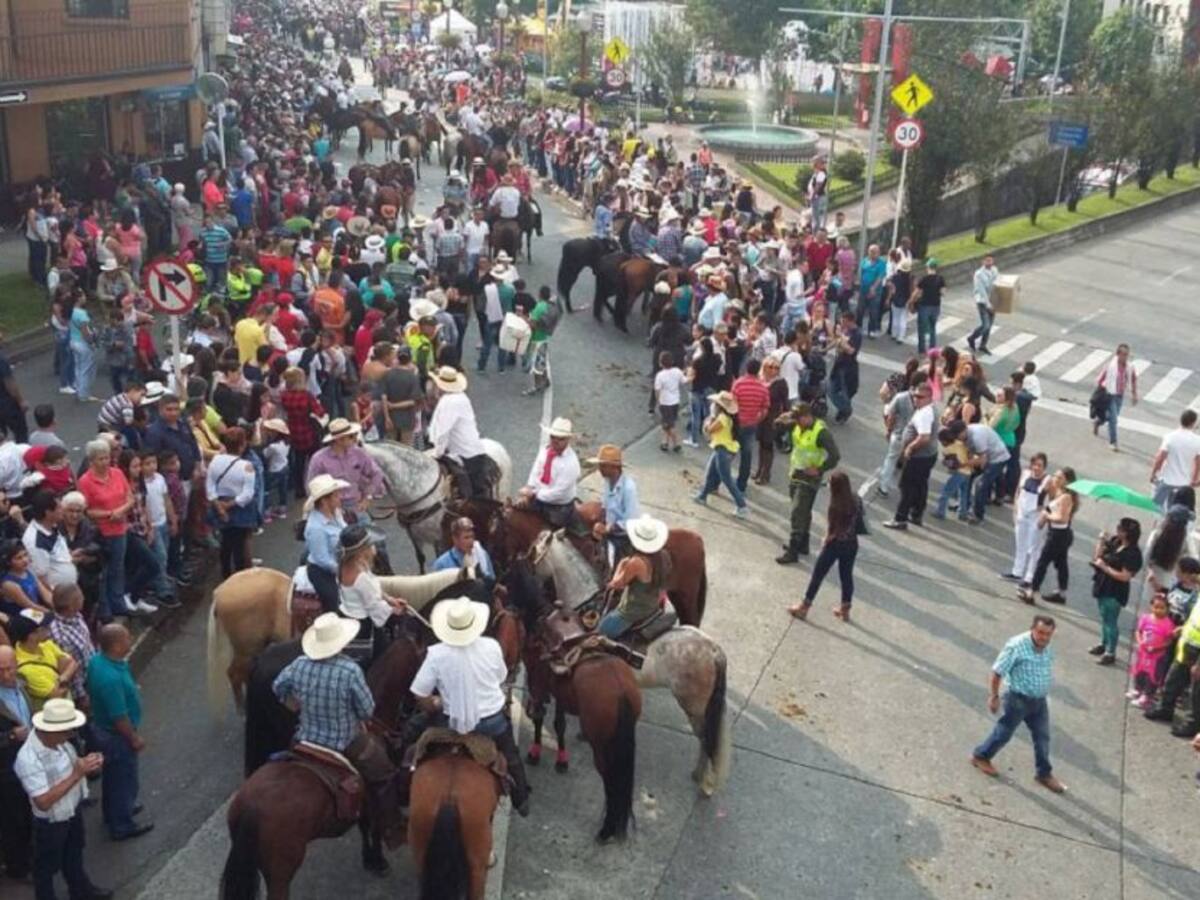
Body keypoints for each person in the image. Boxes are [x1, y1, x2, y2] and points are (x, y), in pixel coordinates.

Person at [272, 613, 396, 831]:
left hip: (306, 739)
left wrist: (293, 704)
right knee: (384, 772)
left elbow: (278, 686)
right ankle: (388, 824)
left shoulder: (299, 664)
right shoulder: (350, 670)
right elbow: (367, 710)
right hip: (345, 741)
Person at [409, 596, 530, 816]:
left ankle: (401, 789)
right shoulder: (492, 646)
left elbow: (419, 693)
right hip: (492, 723)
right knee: (510, 754)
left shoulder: (436, 654)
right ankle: (521, 799)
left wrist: (434, 703)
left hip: (449, 722)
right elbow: (501, 677)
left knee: (410, 738)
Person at [14, 697, 111, 900]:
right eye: (67, 730)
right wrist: (77, 773)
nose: (71, 734)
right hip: (51, 822)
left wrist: (86, 764)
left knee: (74, 854)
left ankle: (81, 891)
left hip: (71, 810)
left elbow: (71, 767)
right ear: (51, 730)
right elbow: (43, 801)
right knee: (46, 869)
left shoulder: (62, 744)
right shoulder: (28, 759)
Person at [970, 615, 1065, 794]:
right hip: (1018, 699)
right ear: (1032, 629)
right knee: (1004, 733)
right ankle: (980, 756)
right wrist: (993, 696)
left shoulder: (1047, 646)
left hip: (1039, 701)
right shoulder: (1016, 646)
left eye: (1048, 634)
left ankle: (1044, 774)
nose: (1044, 637)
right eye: (1040, 633)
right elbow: (997, 671)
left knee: (1042, 737)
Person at [86, 624, 152, 841]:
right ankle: (122, 824)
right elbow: (119, 717)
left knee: (113, 779)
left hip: (104, 732)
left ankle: (113, 812)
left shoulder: (98, 661)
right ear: (116, 645)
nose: (130, 639)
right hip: (117, 737)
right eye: (126, 638)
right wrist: (134, 738)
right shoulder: (110, 679)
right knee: (124, 779)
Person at [789, 470, 863, 622]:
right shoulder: (856, 499)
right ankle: (845, 609)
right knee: (846, 576)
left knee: (818, 576)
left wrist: (825, 541)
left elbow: (833, 529)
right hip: (852, 544)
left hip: (835, 545)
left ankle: (804, 607)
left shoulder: (835, 505)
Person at [776, 402, 841, 561]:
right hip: (796, 473)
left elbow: (835, 456)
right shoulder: (798, 425)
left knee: (798, 512)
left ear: (807, 417)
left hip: (809, 479)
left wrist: (819, 469)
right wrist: (780, 420)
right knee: (803, 511)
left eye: (798, 419)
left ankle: (793, 551)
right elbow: (779, 426)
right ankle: (803, 544)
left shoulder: (821, 433)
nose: (796, 422)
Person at [336, 526, 408, 666]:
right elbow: (373, 606)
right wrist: (394, 610)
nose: (373, 546)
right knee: (385, 655)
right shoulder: (360, 577)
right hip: (363, 623)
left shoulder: (345, 565)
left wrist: (389, 599)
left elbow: (373, 589)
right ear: (361, 551)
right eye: (370, 544)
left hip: (346, 614)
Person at [427, 367, 494, 500]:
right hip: (463, 448)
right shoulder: (458, 397)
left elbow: (443, 431)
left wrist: (438, 452)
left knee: (474, 495)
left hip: (465, 452)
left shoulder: (450, 402)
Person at [882, 382, 937, 530]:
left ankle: (900, 518)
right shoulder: (927, 409)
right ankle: (916, 514)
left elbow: (924, 437)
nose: (916, 399)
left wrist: (910, 448)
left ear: (929, 398)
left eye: (920, 397)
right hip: (928, 455)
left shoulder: (925, 413)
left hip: (919, 456)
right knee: (920, 485)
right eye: (914, 396)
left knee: (906, 486)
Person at [1089, 518, 1143, 666]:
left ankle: (1110, 652)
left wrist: (1106, 568)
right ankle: (1103, 643)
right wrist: (1101, 540)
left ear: (1126, 533)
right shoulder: (1115, 542)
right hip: (1103, 584)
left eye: (1120, 528)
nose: (1117, 530)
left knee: (1110, 620)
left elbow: (1125, 576)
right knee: (1104, 617)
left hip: (1115, 590)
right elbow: (1098, 557)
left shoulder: (1133, 554)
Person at [1021, 468, 1079, 605]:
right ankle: (1061, 592)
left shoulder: (1066, 497)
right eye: (1055, 476)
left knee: (1043, 562)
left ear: (1067, 481)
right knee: (1061, 563)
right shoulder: (1058, 492)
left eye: (1060, 478)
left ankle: (1032, 592)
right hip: (1058, 534)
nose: (1056, 479)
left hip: (1059, 535)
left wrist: (1047, 516)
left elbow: (1062, 518)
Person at [0, 644, 33, 882]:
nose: (4, 675)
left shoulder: (21, 685)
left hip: (27, 761)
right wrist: (10, 737)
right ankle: (18, 867)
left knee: (29, 813)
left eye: (9, 668)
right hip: (6, 771)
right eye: (0, 670)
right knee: (13, 821)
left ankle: (30, 858)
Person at [206, 427, 258, 578]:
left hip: (219, 503)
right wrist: (229, 505)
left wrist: (219, 507)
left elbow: (210, 486)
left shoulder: (215, 461)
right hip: (239, 508)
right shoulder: (247, 466)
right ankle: (239, 578)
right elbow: (248, 494)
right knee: (239, 545)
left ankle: (226, 574)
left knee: (226, 542)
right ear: (242, 445)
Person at [518, 417, 581, 529]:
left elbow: (558, 493)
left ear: (568, 440)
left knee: (548, 536)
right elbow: (535, 472)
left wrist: (534, 494)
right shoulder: (545, 451)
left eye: (560, 439)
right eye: (553, 437)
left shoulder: (571, 463)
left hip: (558, 508)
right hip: (538, 498)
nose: (555, 441)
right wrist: (528, 489)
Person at [303, 474, 349, 614]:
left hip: (343, 562)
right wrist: (344, 571)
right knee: (334, 601)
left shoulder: (337, 513)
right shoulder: (315, 528)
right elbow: (323, 560)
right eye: (335, 495)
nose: (340, 497)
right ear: (324, 500)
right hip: (323, 572)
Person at [588, 445, 640, 569]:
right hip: (608, 527)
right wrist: (600, 523)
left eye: (602, 466)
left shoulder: (628, 488)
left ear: (614, 467)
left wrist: (609, 529)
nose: (599, 469)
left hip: (623, 535)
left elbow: (631, 520)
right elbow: (605, 505)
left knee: (614, 565)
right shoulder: (608, 480)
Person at [1006, 452, 1049, 584]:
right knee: (1020, 544)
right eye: (1034, 464)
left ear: (1044, 467)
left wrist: (1044, 514)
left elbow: (1051, 499)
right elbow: (1018, 492)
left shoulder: (1048, 480)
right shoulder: (1025, 474)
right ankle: (1017, 572)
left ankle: (1030, 577)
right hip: (1022, 514)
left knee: (1034, 548)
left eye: (1040, 465)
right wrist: (1015, 509)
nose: (1036, 468)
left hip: (1036, 516)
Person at [1127, 594, 1176, 710]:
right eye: (1156, 607)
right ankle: (1138, 689)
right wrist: (1140, 642)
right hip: (1143, 652)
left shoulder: (1168, 624)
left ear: (1167, 609)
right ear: (1151, 607)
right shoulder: (1145, 618)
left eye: (1162, 608)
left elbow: (1169, 641)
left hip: (1157, 656)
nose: (1158, 610)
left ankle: (1147, 696)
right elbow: (1138, 631)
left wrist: (1157, 648)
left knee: (1152, 676)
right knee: (1139, 672)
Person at [22, 491, 77, 589]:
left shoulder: (52, 526)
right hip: (56, 597)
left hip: (69, 591)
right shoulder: (35, 541)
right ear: (48, 513)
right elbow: (40, 578)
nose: (62, 510)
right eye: (59, 508)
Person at [731, 359, 771, 494]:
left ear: (746, 369)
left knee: (728, 453)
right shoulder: (763, 388)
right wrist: (757, 419)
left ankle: (715, 481)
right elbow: (765, 408)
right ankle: (741, 486)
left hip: (736, 424)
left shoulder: (738, 384)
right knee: (746, 456)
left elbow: (732, 404)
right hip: (751, 425)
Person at [1149, 409, 1200, 511]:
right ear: (1193, 423)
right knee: (1175, 512)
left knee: (1156, 508)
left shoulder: (1170, 437)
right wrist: (1194, 479)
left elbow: (1160, 458)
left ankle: (1157, 525)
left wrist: (1153, 473)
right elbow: (1197, 462)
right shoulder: (1197, 441)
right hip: (1184, 483)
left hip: (1166, 480)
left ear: (1180, 420)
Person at [1094, 343, 1138, 452]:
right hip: (1110, 395)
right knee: (1114, 419)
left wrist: (1134, 394)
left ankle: (1098, 422)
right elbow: (1100, 379)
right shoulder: (1110, 366)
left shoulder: (1129, 366)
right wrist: (1102, 390)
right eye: (1123, 354)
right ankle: (1113, 442)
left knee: (1111, 417)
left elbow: (1133, 379)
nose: (1125, 357)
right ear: (1118, 354)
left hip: (1120, 396)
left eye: (1127, 354)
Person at [432, 518, 497, 591]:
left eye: (472, 537)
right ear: (455, 539)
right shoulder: (442, 564)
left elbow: (492, 580)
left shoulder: (481, 554)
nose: (471, 541)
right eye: (466, 537)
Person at [828, 310, 861, 424]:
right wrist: (824, 350)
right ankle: (843, 409)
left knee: (844, 392)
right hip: (839, 364)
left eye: (843, 320)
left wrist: (841, 336)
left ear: (849, 321)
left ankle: (845, 410)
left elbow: (851, 350)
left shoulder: (856, 334)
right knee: (831, 388)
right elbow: (837, 342)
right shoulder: (845, 330)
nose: (841, 322)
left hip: (848, 368)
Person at [910, 258, 944, 355]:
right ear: (936, 268)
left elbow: (916, 293)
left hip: (924, 306)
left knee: (922, 328)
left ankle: (921, 349)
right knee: (932, 327)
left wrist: (911, 302)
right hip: (936, 306)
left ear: (927, 267)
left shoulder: (924, 279)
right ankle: (932, 349)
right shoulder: (940, 279)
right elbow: (943, 292)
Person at [653, 351, 686, 453]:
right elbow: (684, 380)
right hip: (675, 402)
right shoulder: (677, 371)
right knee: (667, 423)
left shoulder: (660, 375)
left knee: (669, 425)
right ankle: (665, 442)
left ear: (660, 363)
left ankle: (676, 444)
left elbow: (657, 390)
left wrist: (657, 402)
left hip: (665, 403)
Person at [966, 255, 998, 355]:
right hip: (982, 301)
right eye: (987, 260)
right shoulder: (979, 274)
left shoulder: (995, 270)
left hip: (993, 300)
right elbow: (981, 290)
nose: (989, 262)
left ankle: (983, 345)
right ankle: (972, 338)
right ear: (983, 262)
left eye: (991, 260)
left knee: (989, 326)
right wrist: (988, 304)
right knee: (985, 325)